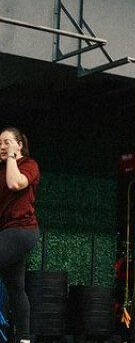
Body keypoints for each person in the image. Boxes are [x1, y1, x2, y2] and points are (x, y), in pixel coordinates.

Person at [0, 127, 40, 343]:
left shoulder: (28, 164)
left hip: (23, 231)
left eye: (7, 142)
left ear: (19, 145)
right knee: (15, 287)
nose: (2, 147)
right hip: (7, 233)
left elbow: (15, 183)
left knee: (16, 287)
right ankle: (24, 339)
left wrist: (12, 157)